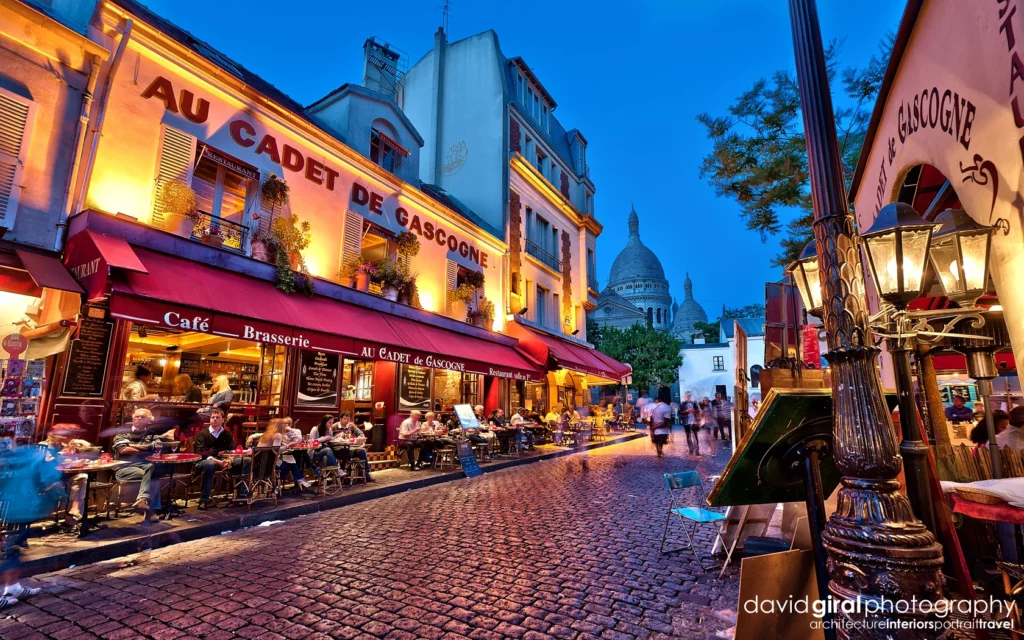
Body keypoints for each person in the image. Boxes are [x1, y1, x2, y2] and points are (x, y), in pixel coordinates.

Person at [0, 443, 60, 608]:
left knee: (12, 550)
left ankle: (12, 588)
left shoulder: (27, 455)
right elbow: (50, 480)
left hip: (15, 508)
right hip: (13, 509)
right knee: (8, 552)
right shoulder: (38, 455)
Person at [112, 408, 175, 523]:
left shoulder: (152, 435)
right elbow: (123, 450)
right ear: (133, 418)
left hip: (145, 466)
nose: (139, 419)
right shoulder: (123, 432)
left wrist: (133, 446)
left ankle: (143, 501)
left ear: (149, 421)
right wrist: (148, 448)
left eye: (143, 417)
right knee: (152, 475)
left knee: (151, 470)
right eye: (137, 417)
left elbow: (157, 449)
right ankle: (150, 511)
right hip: (124, 468)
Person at [191, 408, 236, 509]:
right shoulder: (202, 434)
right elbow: (201, 452)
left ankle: (240, 496)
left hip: (223, 461)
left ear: (223, 420)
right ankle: (204, 499)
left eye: (217, 417)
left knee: (243, 461)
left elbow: (232, 448)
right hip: (203, 462)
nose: (214, 419)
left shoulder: (227, 434)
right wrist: (218, 461)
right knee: (210, 464)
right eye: (212, 417)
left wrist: (230, 459)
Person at [649, 387, 673, 457]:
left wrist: (652, 427)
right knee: (661, 441)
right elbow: (667, 421)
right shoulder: (667, 407)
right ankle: (659, 450)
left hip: (655, 427)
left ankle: (658, 451)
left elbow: (651, 418)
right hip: (662, 428)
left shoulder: (652, 407)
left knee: (657, 440)